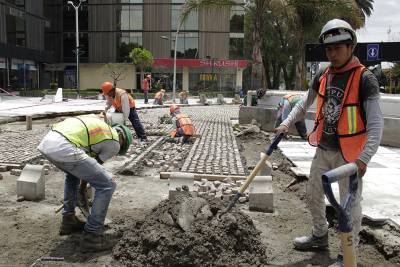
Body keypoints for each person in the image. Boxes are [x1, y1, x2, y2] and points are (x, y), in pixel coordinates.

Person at [275, 19, 383, 267]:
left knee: (350, 206)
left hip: (350, 157)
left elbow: (376, 125)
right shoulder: (324, 73)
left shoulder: (365, 79)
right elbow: (304, 104)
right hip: (324, 149)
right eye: (328, 49)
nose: (332, 54)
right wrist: (286, 123)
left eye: (338, 48)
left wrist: (364, 158)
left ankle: (347, 256)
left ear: (351, 46)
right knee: (312, 193)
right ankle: (319, 235)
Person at [37, 114, 133, 252]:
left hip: (48, 143)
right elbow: (96, 166)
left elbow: (85, 170)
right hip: (64, 147)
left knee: (72, 176)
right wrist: (82, 189)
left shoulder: (101, 129)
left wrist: (81, 189)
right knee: (107, 185)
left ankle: (68, 220)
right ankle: (92, 236)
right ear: (123, 138)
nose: (117, 151)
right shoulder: (115, 141)